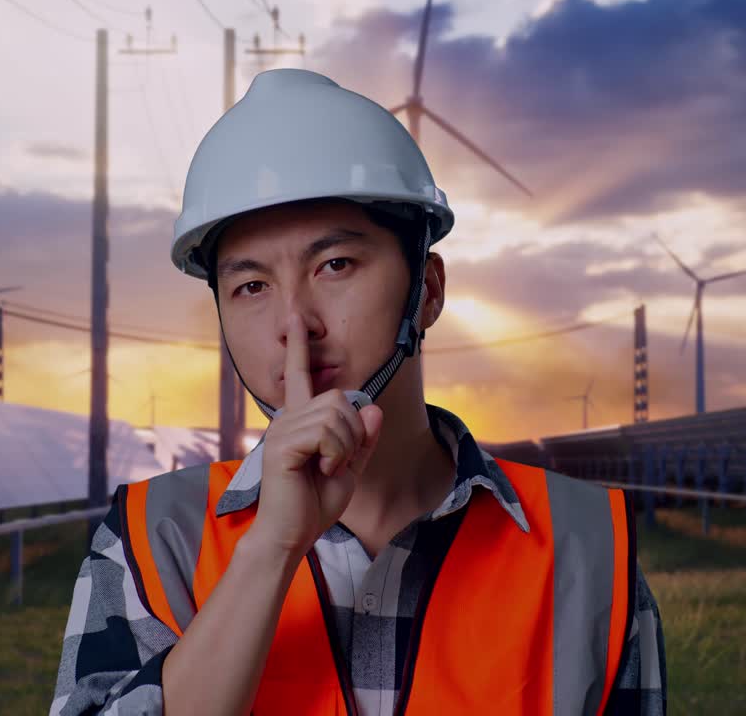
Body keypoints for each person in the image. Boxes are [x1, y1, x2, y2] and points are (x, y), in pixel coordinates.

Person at [50, 68, 666, 716]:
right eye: (251, 287)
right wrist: (272, 548)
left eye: (335, 265)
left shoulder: (586, 547)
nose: (296, 325)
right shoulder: (154, 539)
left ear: (426, 291)